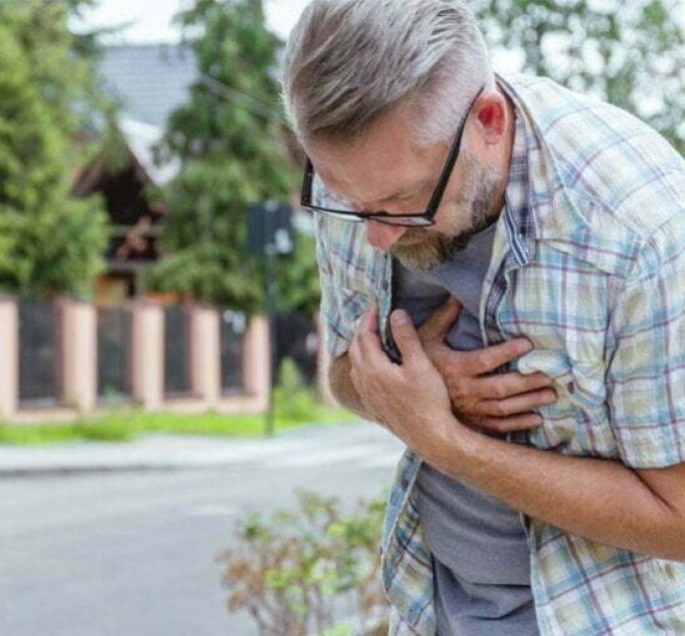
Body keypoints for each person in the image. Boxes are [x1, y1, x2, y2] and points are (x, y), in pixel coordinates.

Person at [282, 1, 685, 634]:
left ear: (489, 121)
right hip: (434, 604)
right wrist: (417, 389)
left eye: (401, 204)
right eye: (349, 203)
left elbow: (680, 520)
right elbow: (340, 374)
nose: (378, 237)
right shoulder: (362, 187)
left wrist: (448, 441)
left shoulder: (640, 233)